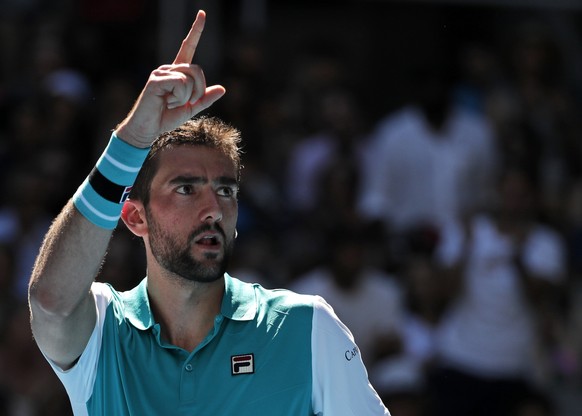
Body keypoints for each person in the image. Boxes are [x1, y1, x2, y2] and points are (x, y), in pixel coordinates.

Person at [27, 10, 390, 416]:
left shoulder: (307, 327)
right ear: (134, 217)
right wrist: (132, 140)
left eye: (226, 190)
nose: (214, 209)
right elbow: (50, 302)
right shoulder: (101, 330)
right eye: (186, 189)